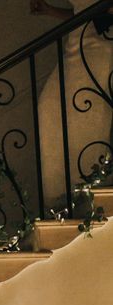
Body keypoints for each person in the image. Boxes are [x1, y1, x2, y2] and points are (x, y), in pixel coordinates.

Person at [30, 0, 113, 204]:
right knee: (48, 106)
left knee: (91, 109)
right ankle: (61, 192)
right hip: (76, 42)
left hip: (101, 42)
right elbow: (82, 9)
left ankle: (92, 180)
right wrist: (49, 10)